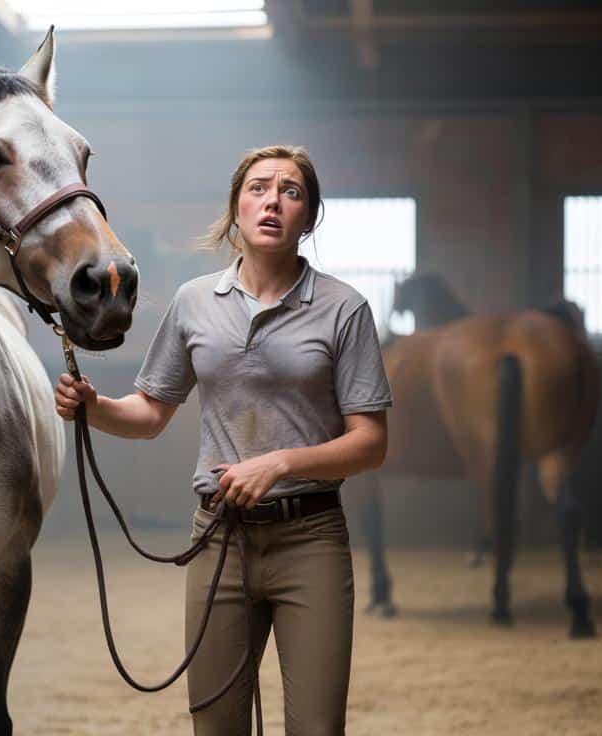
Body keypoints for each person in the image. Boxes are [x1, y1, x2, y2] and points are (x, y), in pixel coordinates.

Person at [55, 145, 392, 735]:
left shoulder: (345, 309)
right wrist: (96, 408)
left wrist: (281, 462)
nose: (273, 201)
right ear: (235, 208)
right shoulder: (193, 302)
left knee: (317, 727)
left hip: (309, 539)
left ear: (308, 217)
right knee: (216, 728)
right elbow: (152, 411)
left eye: (291, 192)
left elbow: (370, 443)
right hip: (217, 541)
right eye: (259, 188)